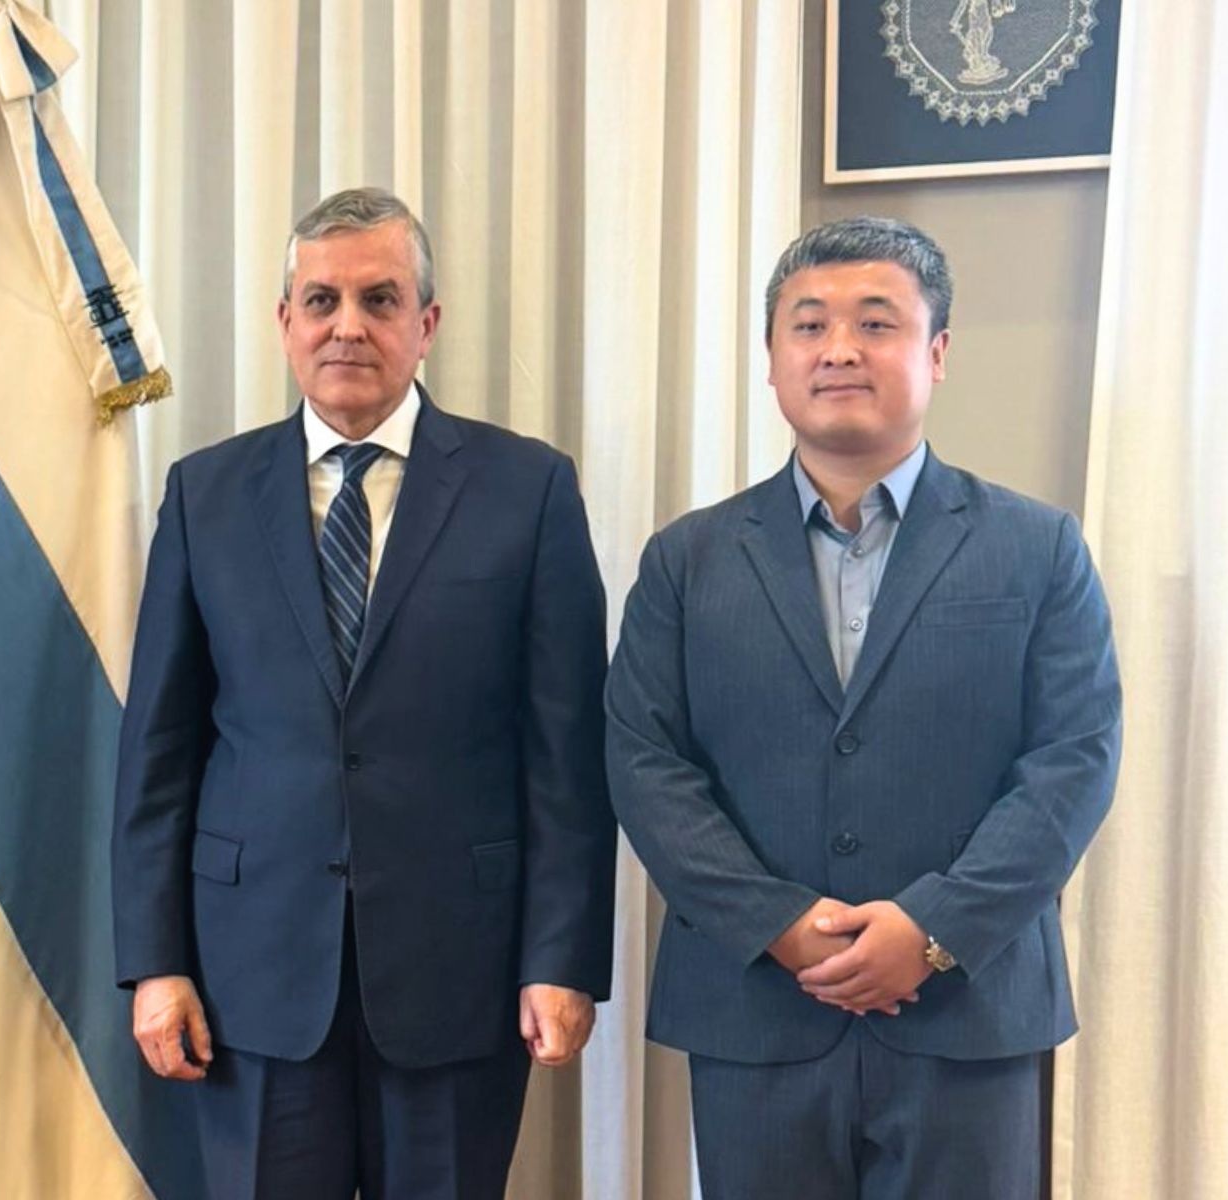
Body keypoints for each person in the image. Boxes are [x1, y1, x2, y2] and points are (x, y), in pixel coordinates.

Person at [112, 187, 616, 1198]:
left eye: (379, 300)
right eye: (322, 300)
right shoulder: (205, 495)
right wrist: (154, 962)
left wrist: (562, 959)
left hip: (459, 975)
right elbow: (159, 752)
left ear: (426, 324)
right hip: (249, 978)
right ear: (284, 322)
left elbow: (567, 759)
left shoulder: (528, 491)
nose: (348, 326)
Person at [605, 215, 1122, 1199]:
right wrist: (779, 923)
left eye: (875, 323)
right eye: (809, 325)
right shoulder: (686, 561)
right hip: (757, 1010)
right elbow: (644, 762)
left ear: (937, 351)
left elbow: (1074, 761)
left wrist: (933, 929)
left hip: (967, 1013)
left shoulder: (1036, 547)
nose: (838, 348)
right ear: (771, 360)